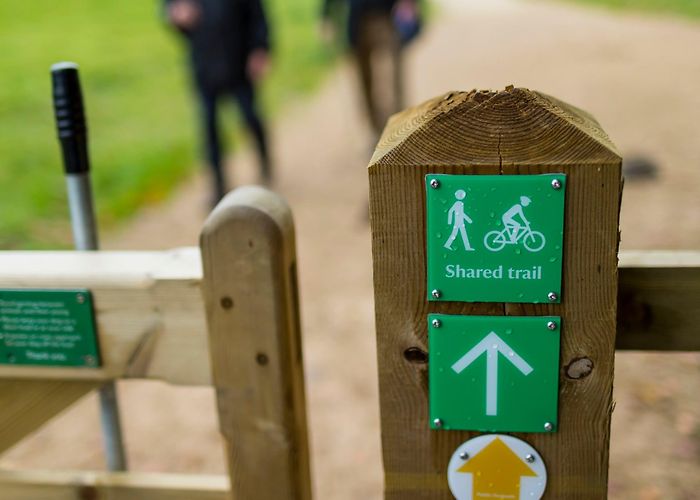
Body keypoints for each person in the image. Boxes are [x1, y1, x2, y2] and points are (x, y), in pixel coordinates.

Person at [165, 0, 272, 205]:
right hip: (204, 65)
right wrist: (177, 16)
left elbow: (257, 13)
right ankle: (218, 186)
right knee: (210, 129)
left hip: (239, 62)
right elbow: (170, 10)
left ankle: (264, 162)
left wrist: (261, 48)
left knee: (250, 117)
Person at [320, 0, 419, 140]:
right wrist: (326, 15)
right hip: (356, 21)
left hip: (388, 19)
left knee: (390, 81)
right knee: (365, 82)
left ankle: (399, 133)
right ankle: (377, 133)